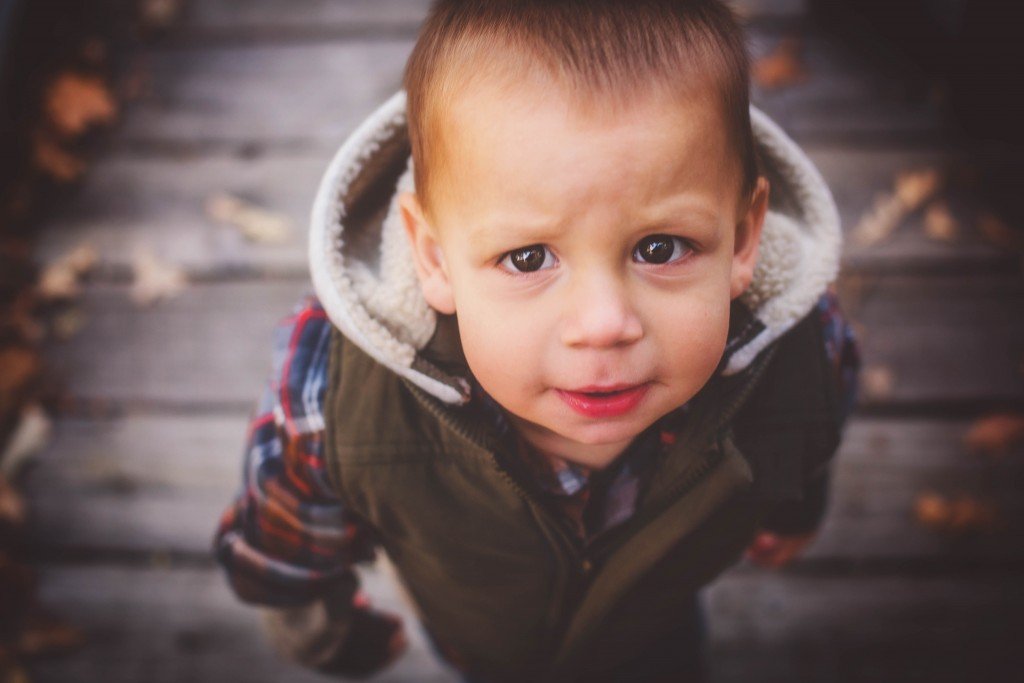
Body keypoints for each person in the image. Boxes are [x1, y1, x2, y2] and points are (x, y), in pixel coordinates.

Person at [212, 1, 861, 681]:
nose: (604, 322)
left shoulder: (802, 349)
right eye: (527, 259)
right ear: (433, 258)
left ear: (744, 237)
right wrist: (322, 632)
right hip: (479, 642)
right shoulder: (337, 392)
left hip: (653, 626)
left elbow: (811, 432)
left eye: (660, 247)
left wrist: (795, 506)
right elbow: (285, 538)